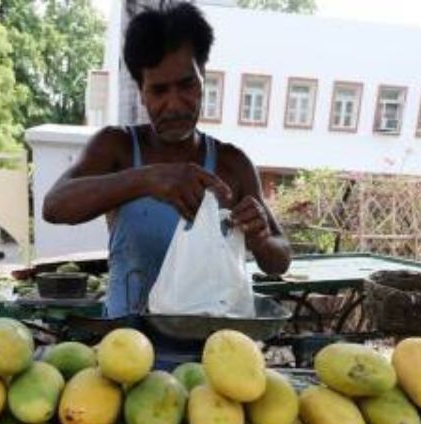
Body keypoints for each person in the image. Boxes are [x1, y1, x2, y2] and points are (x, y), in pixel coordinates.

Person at [42, 1, 291, 318]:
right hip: (125, 354)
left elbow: (279, 260)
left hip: (212, 356)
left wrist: (260, 237)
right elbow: (54, 206)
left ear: (204, 77)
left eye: (187, 85)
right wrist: (147, 178)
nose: (174, 104)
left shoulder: (232, 163)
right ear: (141, 92)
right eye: (159, 90)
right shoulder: (115, 147)